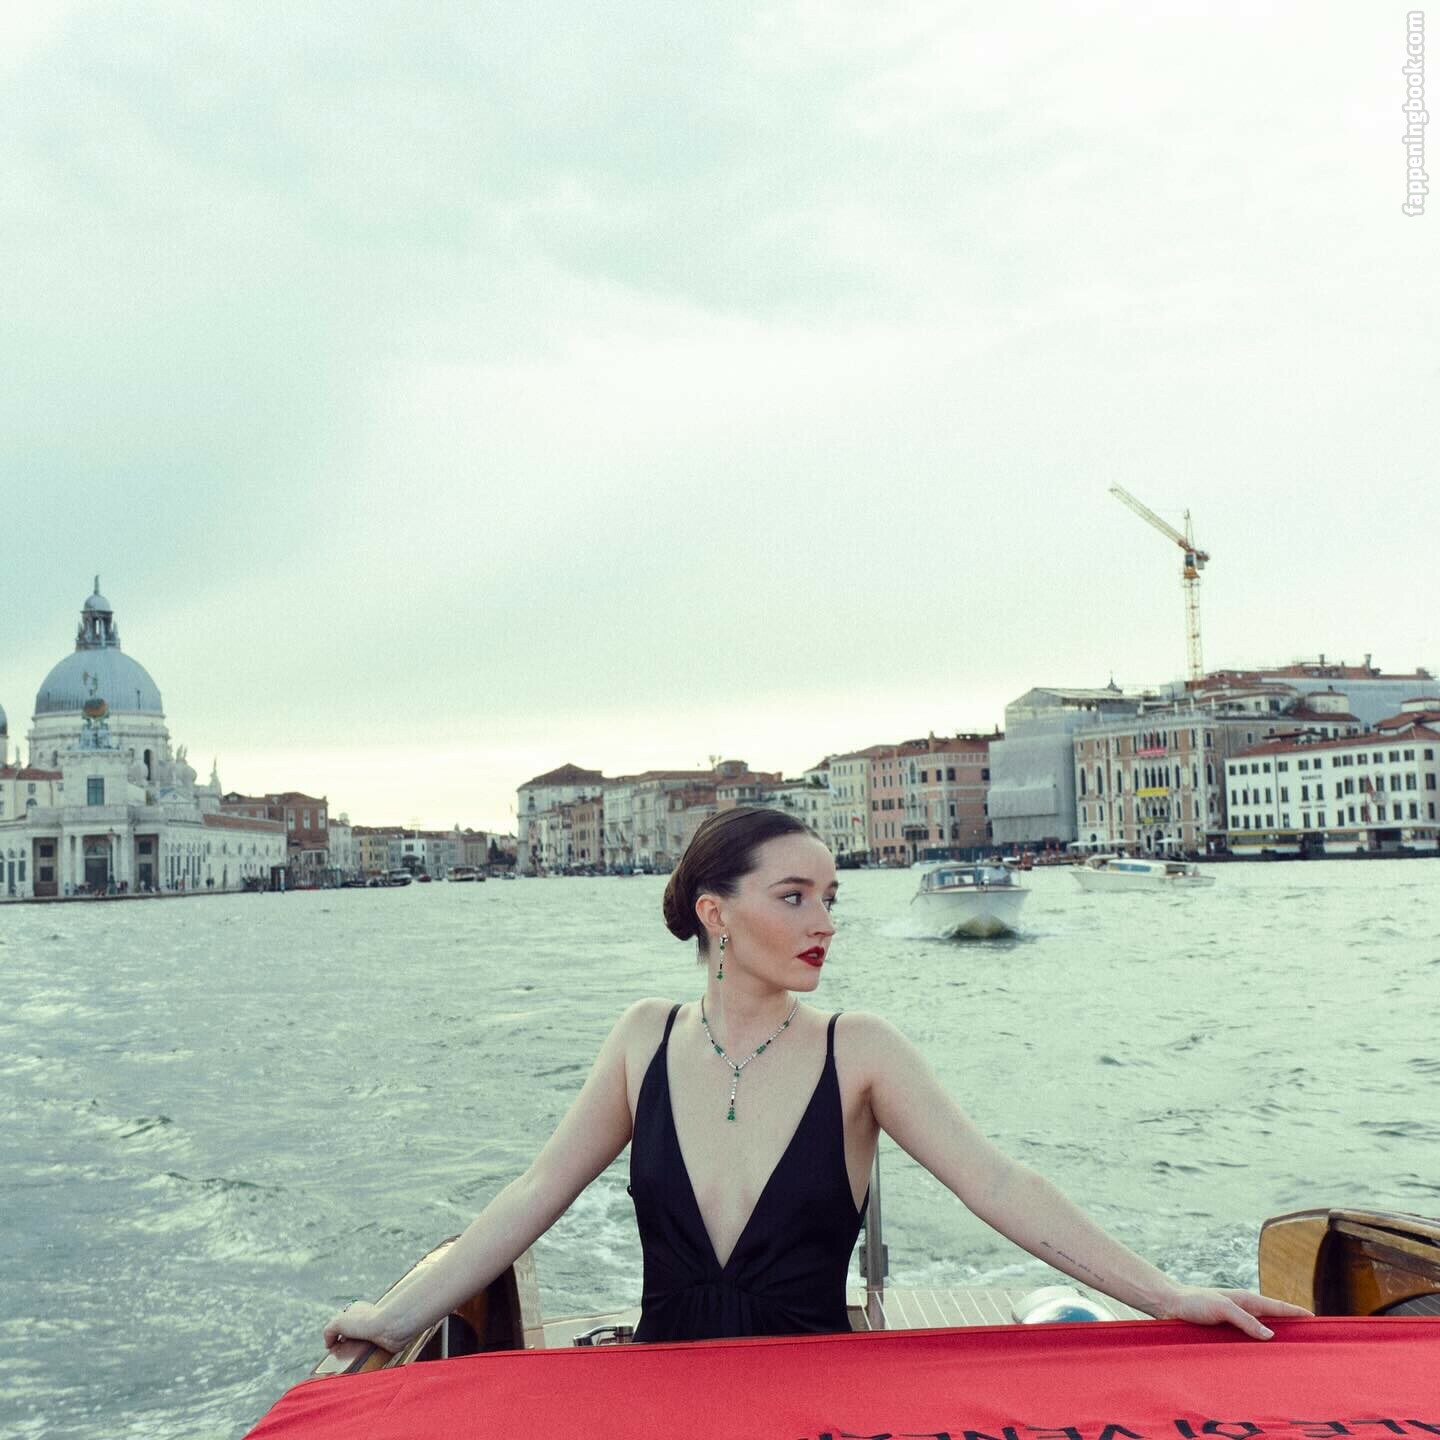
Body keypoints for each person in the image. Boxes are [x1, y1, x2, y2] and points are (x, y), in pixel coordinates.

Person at [324, 807, 1306, 1353]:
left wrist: (1164, 1294)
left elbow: (1000, 1184)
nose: (823, 922)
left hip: (818, 1402)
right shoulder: (641, 1040)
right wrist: (394, 1319)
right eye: (793, 897)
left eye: (829, 898)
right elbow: (534, 1194)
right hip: (659, 1399)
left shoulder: (860, 1049)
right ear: (715, 913)